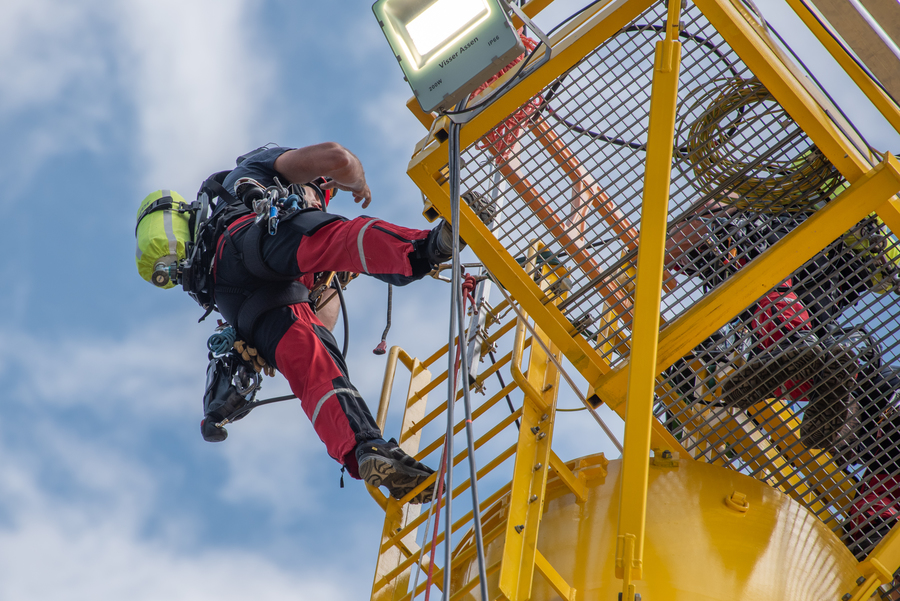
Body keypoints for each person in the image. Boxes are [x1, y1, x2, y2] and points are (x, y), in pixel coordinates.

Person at [135, 142, 494, 503]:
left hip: (239, 298)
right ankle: (429, 246)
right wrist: (357, 181)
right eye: (324, 190)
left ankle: (364, 447)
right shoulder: (261, 168)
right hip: (251, 239)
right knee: (337, 238)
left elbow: (322, 322)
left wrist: (327, 287)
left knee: (315, 364)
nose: (323, 197)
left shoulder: (213, 233)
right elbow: (338, 159)